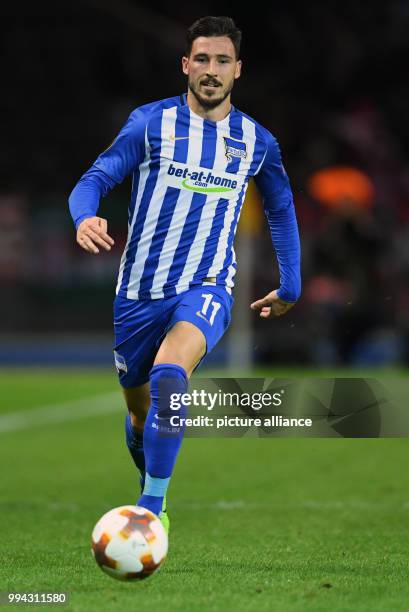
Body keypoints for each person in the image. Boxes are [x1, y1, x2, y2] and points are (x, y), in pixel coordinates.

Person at [68, 16, 301, 534]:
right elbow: (95, 178)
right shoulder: (151, 124)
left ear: (238, 70)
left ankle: (152, 511)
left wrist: (292, 282)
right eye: (202, 59)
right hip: (138, 293)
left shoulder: (256, 141)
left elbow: (281, 207)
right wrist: (85, 215)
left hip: (208, 285)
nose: (211, 70)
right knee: (139, 411)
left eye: (222, 61)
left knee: (172, 376)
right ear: (185, 65)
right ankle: (146, 459)